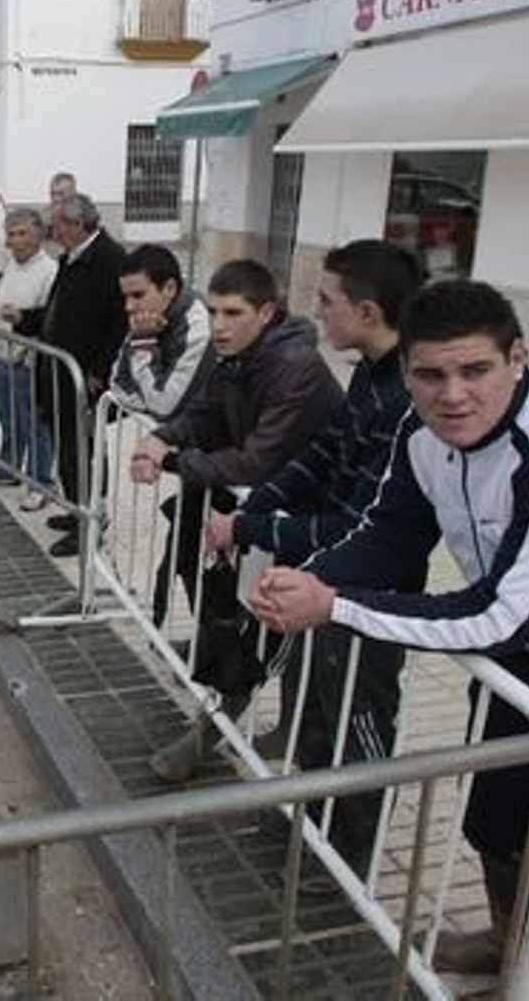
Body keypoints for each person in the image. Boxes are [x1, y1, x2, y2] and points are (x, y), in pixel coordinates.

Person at [248, 281, 529, 983]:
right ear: (409, 368)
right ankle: (513, 938)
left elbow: (497, 614)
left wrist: (331, 606)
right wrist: (304, 579)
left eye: (475, 370)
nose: (453, 394)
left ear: (517, 358)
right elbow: (391, 538)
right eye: (430, 374)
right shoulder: (422, 433)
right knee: (495, 813)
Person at [162, 242, 421, 842]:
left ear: (366, 310)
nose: (318, 311)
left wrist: (249, 523)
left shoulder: (401, 396)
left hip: (369, 595)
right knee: (312, 705)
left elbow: (362, 522)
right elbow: (323, 457)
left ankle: (346, 862)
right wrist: (252, 513)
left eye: (326, 300)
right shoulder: (370, 378)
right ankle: (310, 819)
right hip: (323, 575)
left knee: (355, 722)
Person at [132, 259, 343, 776]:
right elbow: (205, 414)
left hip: (313, 529)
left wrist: (173, 461)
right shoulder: (238, 359)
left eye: (233, 312)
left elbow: (257, 459)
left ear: (266, 312)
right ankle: (276, 730)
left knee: (267, 641)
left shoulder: (294, 366)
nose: (219, 325)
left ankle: (215, 736)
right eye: (213, 312)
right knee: (264, 634)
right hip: (268, 518)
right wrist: (163, 438)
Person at [2, 193, 127, 557]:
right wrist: (26, 319)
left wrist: (99, 373)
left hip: (83, 378)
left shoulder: (109, 260)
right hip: (59, 373)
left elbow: (120, 325)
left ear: (76, 225)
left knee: (83, 450)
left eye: (56, 224)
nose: (52, 230)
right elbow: (58, 313)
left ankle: (91, 523)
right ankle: (76, 512)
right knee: (68, 451)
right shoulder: (72, 258)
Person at [0, 209, 58, 510]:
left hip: (29, 360)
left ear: (38, 235)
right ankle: (8, 469)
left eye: (21, 233)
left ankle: (41, 483)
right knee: (7, 417)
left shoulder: (49, 270)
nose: (14, 240)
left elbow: (47, 321)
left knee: (35, 423)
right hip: (3, 353)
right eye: (10, 234)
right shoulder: (11, 264)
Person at [108, 243, 214, 423]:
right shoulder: (146, 321)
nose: (129, 307)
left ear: (169, 289)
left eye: (138, 295)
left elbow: (163, 408)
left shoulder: (199, 327)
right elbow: (117, 384)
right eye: (125, 297)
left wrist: (142, 344)